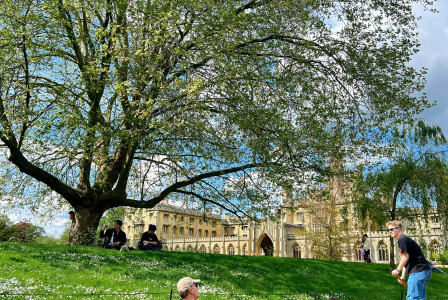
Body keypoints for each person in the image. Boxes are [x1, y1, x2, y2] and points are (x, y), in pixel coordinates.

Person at [388, 220, 431, 299]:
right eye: (388, 230)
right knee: (420, 298)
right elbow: (406, 260)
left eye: (392, 229)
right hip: (423, 271)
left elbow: (405, 257)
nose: (390, 231)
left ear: (399, 229)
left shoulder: (402, 239)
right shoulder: (403, 240)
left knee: (413, 298)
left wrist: (398, 270)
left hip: (418, 272)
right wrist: (403, 276)